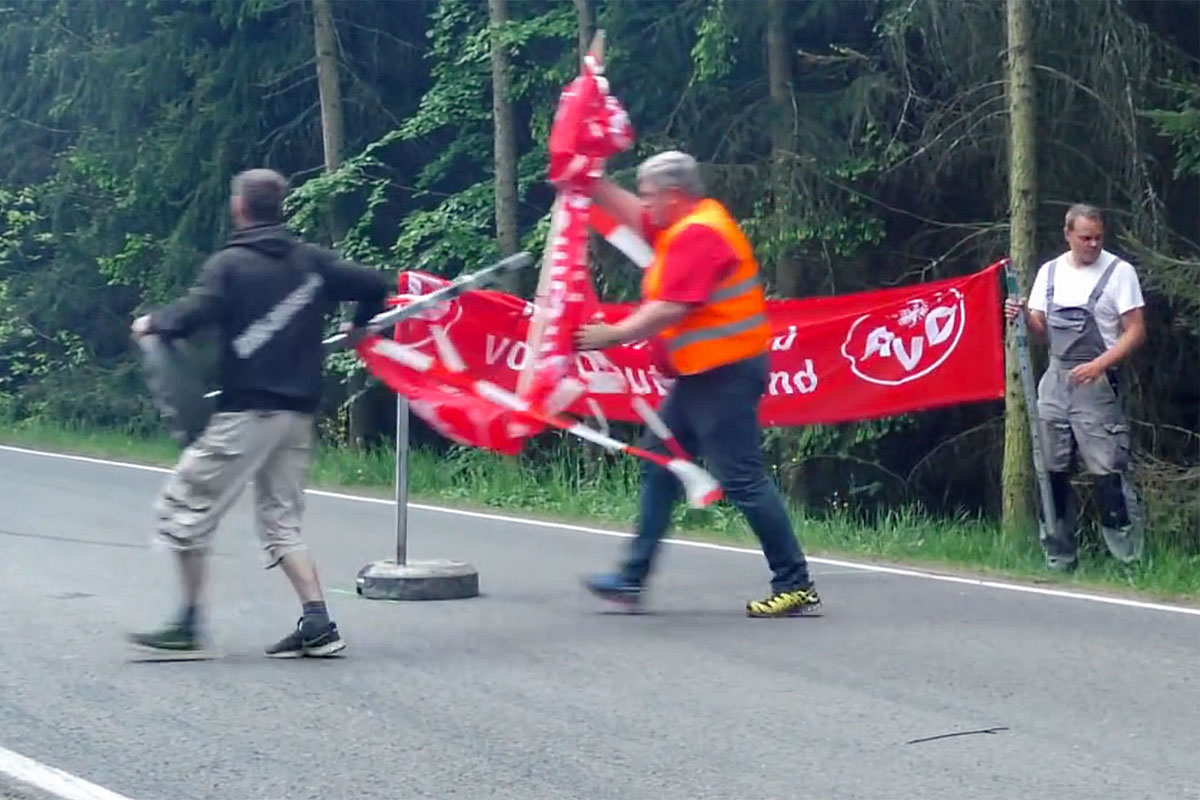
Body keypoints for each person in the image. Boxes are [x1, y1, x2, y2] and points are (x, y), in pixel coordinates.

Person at [128, 168, 390, 659]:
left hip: (248, 413)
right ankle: (318, 623)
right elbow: (376, 283)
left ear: (240, 207)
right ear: (279, 207)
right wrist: (360, 327)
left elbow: (196, 312)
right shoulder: (311, 262)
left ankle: (188, 622)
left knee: (184, 511)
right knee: (281, 522)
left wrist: (152, 323)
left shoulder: (230, 266)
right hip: (296, 417)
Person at [575, 150, 820, 617]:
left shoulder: (699, 235)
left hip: (724, 373)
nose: (643, 206)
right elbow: (634, 216)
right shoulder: (679, 225)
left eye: (649, 196)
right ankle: (631, 578)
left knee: (741, 478)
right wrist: (596, 185)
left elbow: (671, 307)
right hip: (701, 374)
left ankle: (795, 582)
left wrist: (613, 335)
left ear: (673, 195)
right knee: (659, 460)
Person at [1005, 203, 1147, 570]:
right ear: (1068, 234)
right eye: (1085, 238)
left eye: (1099, 237)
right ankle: (1059, 557)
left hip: (1098, 383)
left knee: (1107, 472)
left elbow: (1136, 330)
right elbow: (1040, 330)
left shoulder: (1120, 273)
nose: (1093, 244)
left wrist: (1100, 364)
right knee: (1050, 472)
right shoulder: (1049, 272)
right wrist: (1021, 316)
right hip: (1055, 381)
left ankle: (1128, 561)